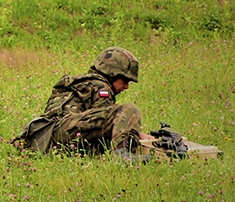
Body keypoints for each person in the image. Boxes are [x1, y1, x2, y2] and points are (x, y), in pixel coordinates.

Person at [16, 47, 153, 160]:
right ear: (112, 74)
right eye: (125, 81)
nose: (126, 86)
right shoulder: (101, 87)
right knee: (130, 110)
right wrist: (139, 135)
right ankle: (122, 156)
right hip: (65, 130)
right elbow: (107, 123)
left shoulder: (81, 81)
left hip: (44, 136)